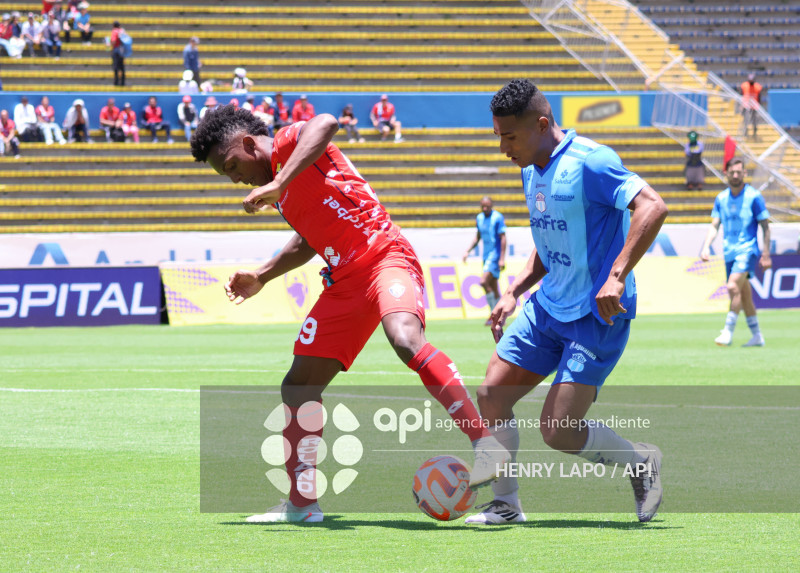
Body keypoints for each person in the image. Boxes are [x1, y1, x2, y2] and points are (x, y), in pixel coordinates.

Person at [189, 105, 510, 523]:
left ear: (250, 143)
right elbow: (308, 239)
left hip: (385, 256)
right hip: (344, 281)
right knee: (298, 386)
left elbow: (327, 122)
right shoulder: (279, 188)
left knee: (405, 337)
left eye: (232, 165)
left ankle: (485, 444)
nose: (234, 179)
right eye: (225, 175)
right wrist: (263, 275)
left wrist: (280, 182)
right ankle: (301, 505)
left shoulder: (289, 143)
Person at [464, 79, 668, 526]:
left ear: (541, 124)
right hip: (548, 305)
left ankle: (639, 461)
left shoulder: (592, 162)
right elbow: (548, 234)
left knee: (558, 432)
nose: (502, 148)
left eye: (509, 136)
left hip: (597, 315)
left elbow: (652, 205)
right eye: (497, 135)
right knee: (491, 394)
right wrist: (514, 290)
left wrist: (617, 276)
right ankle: (506, 504)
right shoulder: (528, 166)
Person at [700, 158, 771, 347]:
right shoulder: (721, 198)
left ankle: (727, 332)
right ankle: (757, 336)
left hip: (747, 250)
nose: (736, 175)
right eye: (733, 172)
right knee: (744, 294)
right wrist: (706, 246)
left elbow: (765, 226)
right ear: (727, 174)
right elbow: (715, 225)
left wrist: (766, 254)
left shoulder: (754, 197)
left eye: (740, 172)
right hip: (729, 252)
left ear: (745, 173)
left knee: (732, 287)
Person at [462, 196, 507, 326]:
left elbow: (503, 238)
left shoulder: (497, 217)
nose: (485, 208)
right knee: (493, 287)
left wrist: (502, 258)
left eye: (487, 206)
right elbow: (478, 236)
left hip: (495, 255)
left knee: (483, 282)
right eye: (483, 206)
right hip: (486, 256)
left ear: (492, 205)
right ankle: (500, 316)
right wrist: (468, 251)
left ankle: (494, 315)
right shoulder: (480, 218)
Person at [740, 73, 763, 140]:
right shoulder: (744, 85)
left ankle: (754, 133)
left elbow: (759, 97)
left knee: (754, 120)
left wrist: (759, 106)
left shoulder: (758, 87)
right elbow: (741, 96)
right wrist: (741, 105)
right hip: (746, 105)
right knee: (745, 120)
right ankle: (745, 132)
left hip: (754, 106)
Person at [108, 20, 125, 86]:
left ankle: (116, 81)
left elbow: (113, 41)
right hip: (122, 50)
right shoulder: (122, 31)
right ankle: (123, 81)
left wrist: (110, 43)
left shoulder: (114, 31)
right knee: (122, 67)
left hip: (116, 50)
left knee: (115, 67)